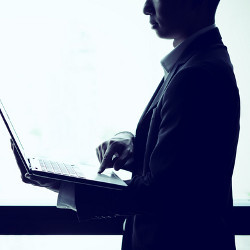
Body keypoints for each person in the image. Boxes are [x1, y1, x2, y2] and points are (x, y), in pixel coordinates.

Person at [12, 0, 240, 249]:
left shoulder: (196, 74)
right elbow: (185, 166)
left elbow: (163, 193)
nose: (146, 8)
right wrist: (130, 140)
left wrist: (66, 185)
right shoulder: (196, 63)